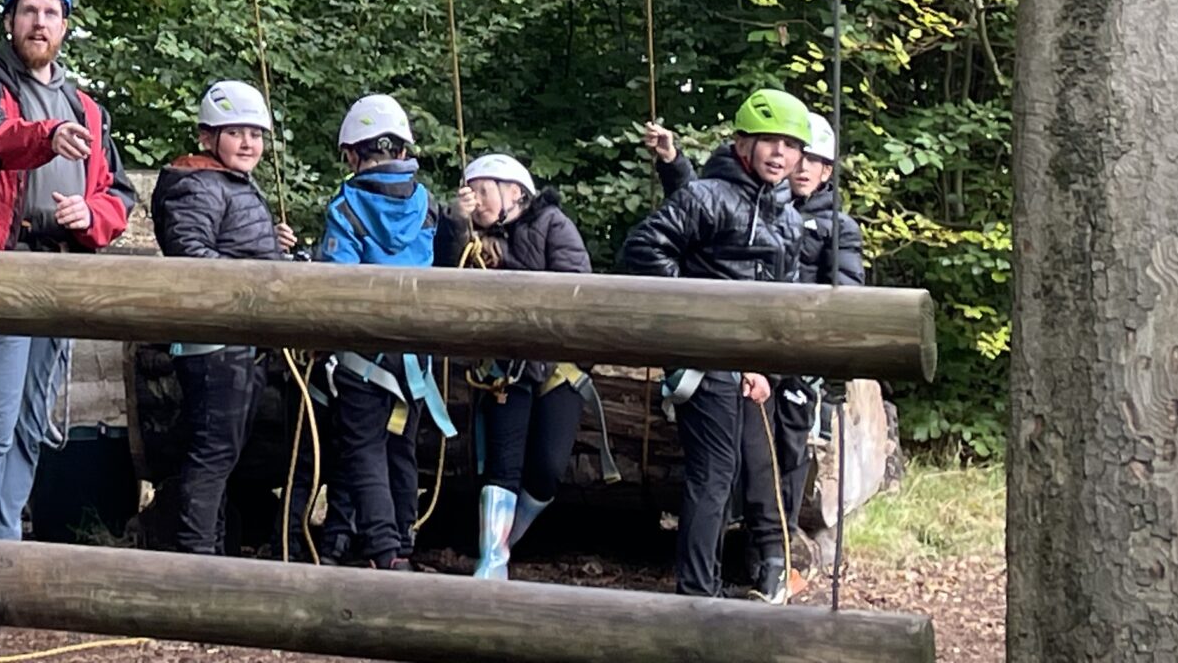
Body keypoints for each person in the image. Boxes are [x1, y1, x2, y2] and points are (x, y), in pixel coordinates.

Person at [0, 0, 136, 576]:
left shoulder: (87, 109)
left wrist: (90, 214)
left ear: (65, 27)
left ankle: (2, 565)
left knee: (28, 427)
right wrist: (47, 137)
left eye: (50, 13)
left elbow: (118, 194)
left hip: (59, 271)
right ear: (9, 21)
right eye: (28, 11)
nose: (39, 23)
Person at [618, 87, 809, 602]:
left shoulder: (789, 219)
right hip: (704, 361)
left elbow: (784, 303)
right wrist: (696, 319)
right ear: (742, 143)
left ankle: (732, 580)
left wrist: (767, 368)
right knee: (715, 474)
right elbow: (643, 247)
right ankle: (697, 593)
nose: (780, 154)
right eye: (769, 141)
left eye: (791, 146)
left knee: (744, 472)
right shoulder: (708, 196)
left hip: (748, 367)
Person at [150, 79, 298, 555]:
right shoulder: (197, 185)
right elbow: (191, 254)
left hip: (237, 339)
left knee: (223, 452)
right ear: (207, 138)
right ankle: (197, 557)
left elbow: (231, 243)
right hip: (214, 342)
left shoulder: (227, 184)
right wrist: (256, 278)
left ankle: (208, 550)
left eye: (255, 135)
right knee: (212, 452)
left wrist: (274, 249)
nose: (249, 143)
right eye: (236, 133)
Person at [314, 94, 453, 569]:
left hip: (365, 355)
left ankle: (384, 550)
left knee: (364, 451)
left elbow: (337, 282)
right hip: (414, 356)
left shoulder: (347, 205)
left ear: (352, 154)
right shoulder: (427, 203)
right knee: (400, 449)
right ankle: (403, 543)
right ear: (402, 150)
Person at [439, 152, 592, 580]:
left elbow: (576, 289)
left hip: (556, 365)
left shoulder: (553, 225)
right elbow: (444, 277)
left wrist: (505, 262)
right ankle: (492, 562)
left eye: (484, 191)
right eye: (471, 193)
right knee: (501, 466)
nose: (476, 200)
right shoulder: (468, 236)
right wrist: (456, 226)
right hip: (502, 365)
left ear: (515, 193)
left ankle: (504, 545)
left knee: (546, 470)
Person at [769, 109, 867, 569]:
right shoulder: (762, 211)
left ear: (827, 172)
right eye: (800, 157)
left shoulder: (839, 227)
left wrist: (830, 360)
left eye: (816, 161)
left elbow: (846, 295)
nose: (804, 167)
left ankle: (780, 545)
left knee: (790, 447)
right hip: (752, 346)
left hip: (800, 354)